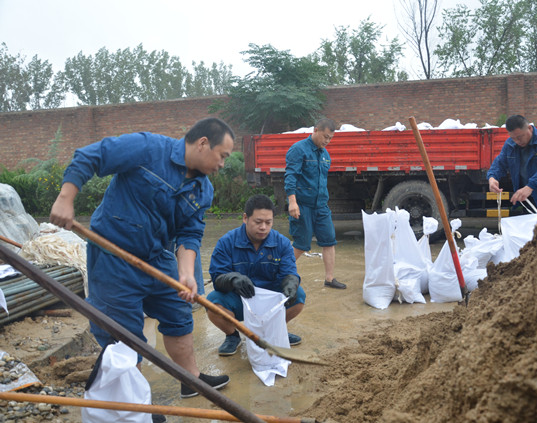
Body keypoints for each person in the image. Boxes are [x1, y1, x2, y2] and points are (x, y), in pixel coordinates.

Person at [49, 117, 234, 399]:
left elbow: (190, 234)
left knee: (178, 313)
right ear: (203, 143)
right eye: (222, 156)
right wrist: (66, 198)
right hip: (113, 255)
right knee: (122, 332)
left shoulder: (203, 190)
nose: (222, 164)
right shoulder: (148, 148)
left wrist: (185, 274)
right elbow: (91, 156)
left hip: (157, 258)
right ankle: (133, 403)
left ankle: (191, 380)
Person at [206, 194, 304, 355]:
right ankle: (232, 336)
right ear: (245, 218)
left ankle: (275, 331)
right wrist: (233, 279)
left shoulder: (282, 243)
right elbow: (218, 277)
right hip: (240, 300)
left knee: (299, 296)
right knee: (213, 303)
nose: (263, 227)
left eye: (268, 222)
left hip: (270, 302)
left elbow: (289, 272)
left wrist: (291, 283)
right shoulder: (226, 242)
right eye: (258, 222)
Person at [284, 118, 346, 289]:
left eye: (330, 138)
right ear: (316, 130)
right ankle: (280, 274)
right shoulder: (298, 149)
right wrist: (292, 202)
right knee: (301, 244)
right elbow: (291, 176)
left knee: (329, 240)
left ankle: (329, 279)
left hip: (321, 206)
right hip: (302, 205)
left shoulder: (325, 155)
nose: (327, 141)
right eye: (325, 136)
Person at [487, 114, 537, 210]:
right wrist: (492, 178)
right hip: (528, 197)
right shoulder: (510, 144)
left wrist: (530, 186)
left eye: (520, 137)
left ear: (529, 128)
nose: (517, 141)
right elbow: (499, 163)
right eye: (513, 138)